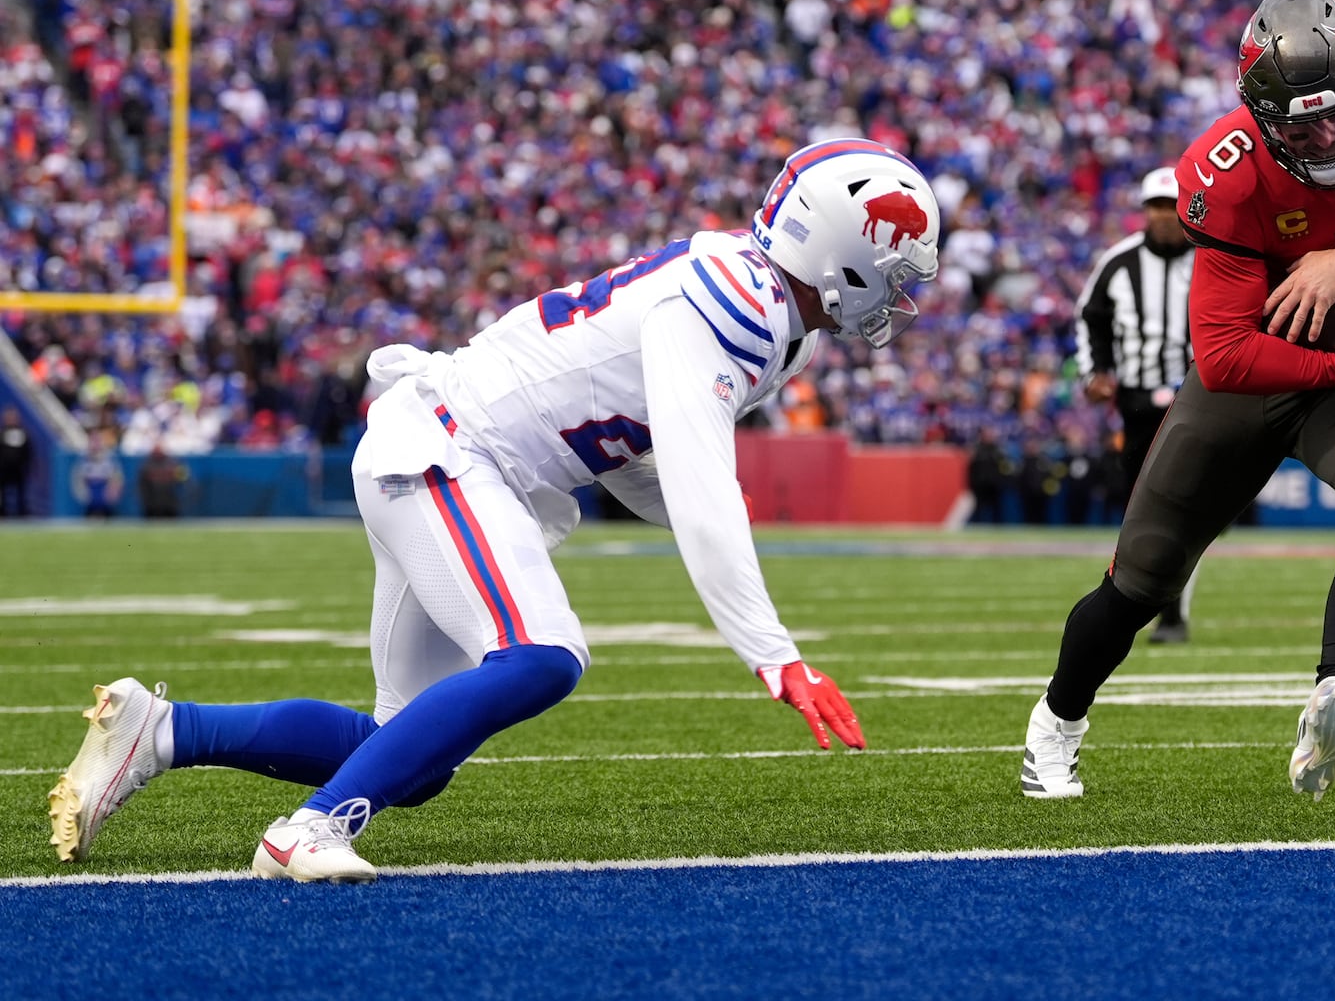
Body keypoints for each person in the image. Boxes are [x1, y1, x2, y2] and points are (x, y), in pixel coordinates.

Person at [50, 138, 941, 881]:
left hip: (447, 451)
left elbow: (634, 453)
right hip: (452, 450)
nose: (901, 293)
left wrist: (700, 510)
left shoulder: (760, 307)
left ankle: (166, 731)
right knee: (542, 657)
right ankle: (310, 830)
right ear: (839, 252)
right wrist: (774, 655)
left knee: (406, 751)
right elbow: (701, 484)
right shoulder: (738, 307)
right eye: (894, 268)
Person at [1021, 0, 1335, 803]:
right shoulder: (1227, 172)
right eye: (1300, 125)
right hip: (1265, 378)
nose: (1326, 136)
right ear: (1260, 118)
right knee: (1142, 579)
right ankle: (1056, 724)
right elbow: (1227, 353)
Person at [1075, 166, 1196, 640]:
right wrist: (1094, 372)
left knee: (1186, 503)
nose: (1164, 217)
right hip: (1137, 399)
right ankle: (1153, 606)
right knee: (1142, 507)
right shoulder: (1118, 262)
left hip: (1198, 396)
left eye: (1172, 207)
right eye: (1156, 208)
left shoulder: (1211, 257)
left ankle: (1172, 614)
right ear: (1144, 212)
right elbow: (1089, 319)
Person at [0, 407, 30, 518]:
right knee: (3, 492)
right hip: (4, 469)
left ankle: (21, 513)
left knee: (20, 492)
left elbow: (28, 450)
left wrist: (26, 465)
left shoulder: (23, 433)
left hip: (19, 469)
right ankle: (3, 513)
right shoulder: (2, 433)